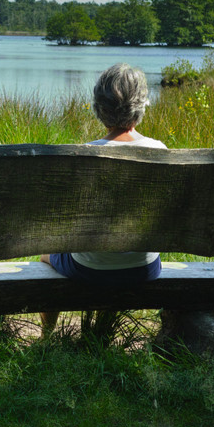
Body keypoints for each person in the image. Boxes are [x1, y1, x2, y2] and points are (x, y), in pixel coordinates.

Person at [40, 63, 166, 334]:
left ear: (99, 107)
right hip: (145, 268)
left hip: (89, 269)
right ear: (141, 105)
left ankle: (47, 336)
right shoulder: (160, 151)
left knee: (45, 256)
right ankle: (103, 329)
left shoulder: (85, 154)